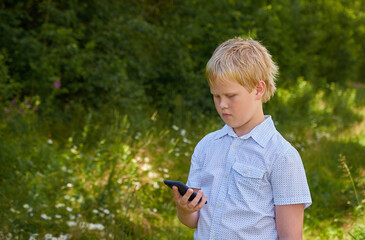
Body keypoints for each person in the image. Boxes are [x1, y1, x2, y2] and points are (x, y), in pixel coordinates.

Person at [170, 37, 312, 239]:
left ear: (258, 89)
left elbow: (291, 236)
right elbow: (193, 221)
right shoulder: (207, 146)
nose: (222, 105)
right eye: (216, 96)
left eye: (230, 96)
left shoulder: (282, 156)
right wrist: (185, 209)